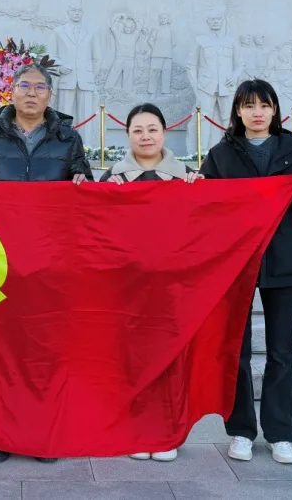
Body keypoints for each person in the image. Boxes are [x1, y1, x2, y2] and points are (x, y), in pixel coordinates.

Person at [0, 63, 91, 463]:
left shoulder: (68, 137)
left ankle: (43, 434)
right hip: (3, 261)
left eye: (40, 87)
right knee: (2, 350)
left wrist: (83, 180)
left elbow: (83, 179)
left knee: (46, 351)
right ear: (11, 91)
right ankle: (1, 434)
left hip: (51, 260)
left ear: (49, 95)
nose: (32, 93)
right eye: (24, 85)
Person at [200, 79, 292, 466]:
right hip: (236, 263)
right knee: (237, 351)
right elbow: (205, 210)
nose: (257, 113)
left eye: (264, 105)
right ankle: (240, 430)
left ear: (275, 110)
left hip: (283, 260)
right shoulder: (221, 155)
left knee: (281, 350)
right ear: (237, 111)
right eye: (249, 106)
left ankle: (281, 433)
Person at [97, 102, 202, 463]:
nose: (145, 137)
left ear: (164, 133)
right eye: (137, 130)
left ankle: (167, 433)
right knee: (131, 358)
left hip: (172, 287)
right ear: (127, 135)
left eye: (152, 129)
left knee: (171, 360)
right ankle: (136, 431)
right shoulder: (113, 178)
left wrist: (201, 192)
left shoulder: (186, 177)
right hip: (127, 285)